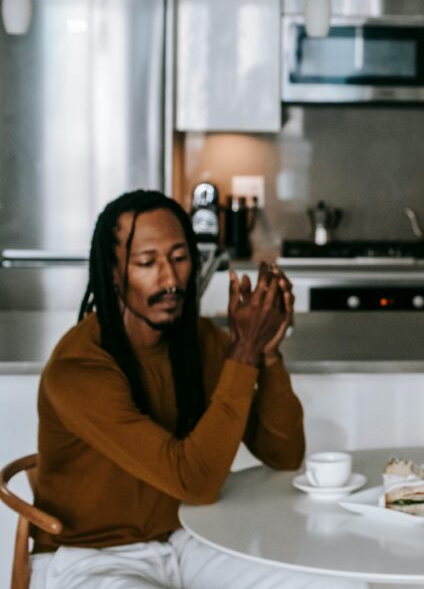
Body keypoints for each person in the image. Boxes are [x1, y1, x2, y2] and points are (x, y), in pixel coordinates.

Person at [29, 190, 360, 589]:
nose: (169, 279)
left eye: (180, 258)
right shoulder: (79, 369)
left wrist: (266, 355)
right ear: (114, 273)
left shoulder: (200, 343)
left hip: (189, 539)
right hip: (93, 558)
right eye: (147, 263)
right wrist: (243, 352)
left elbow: (284, 454)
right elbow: (194, 481)